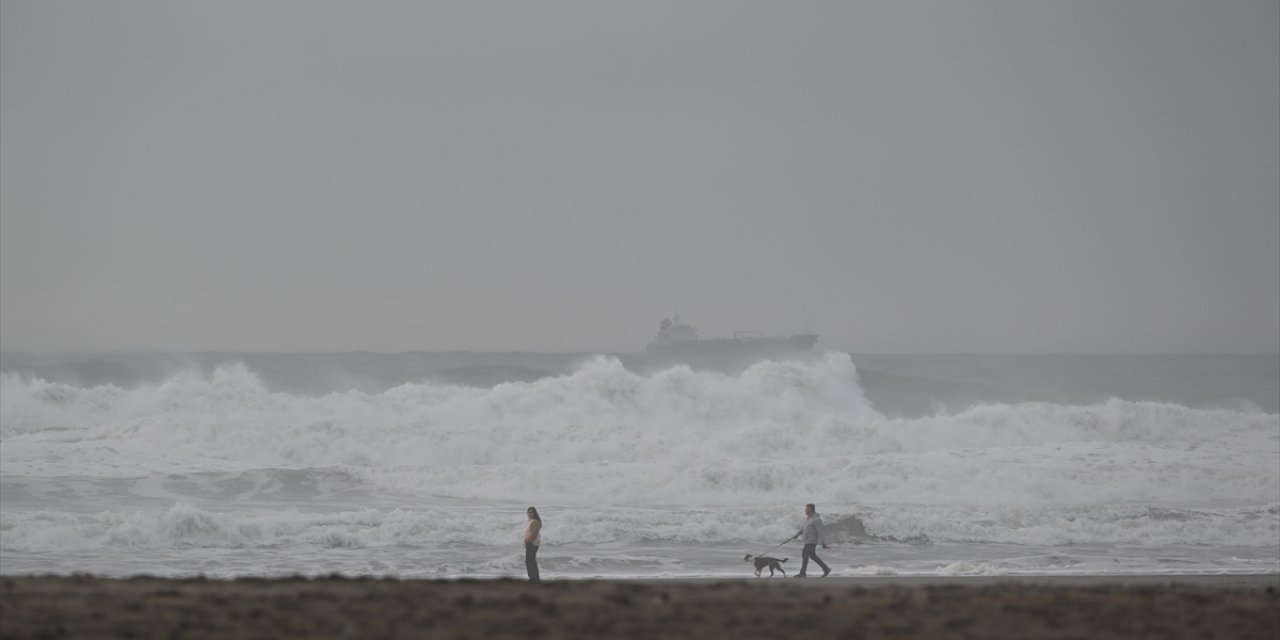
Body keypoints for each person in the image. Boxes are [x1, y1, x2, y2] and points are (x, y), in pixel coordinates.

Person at [790, 503, 830, 577]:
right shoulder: (808, 519)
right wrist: (797, 535)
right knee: (812, 556)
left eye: (806, 509)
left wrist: (823, 543)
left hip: (812, 541)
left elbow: (820, 532)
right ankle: (826, 569)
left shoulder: (817, 520)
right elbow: (803, 529)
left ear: (811, 510)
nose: (805, 511)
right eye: (805, 509)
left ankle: (802, 573)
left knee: (805, 553)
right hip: (807, 540)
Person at [524, 507, 542, 582]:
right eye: (528, 512)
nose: (529, 514)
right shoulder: (531, 521)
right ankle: (534, 578)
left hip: (532, 544)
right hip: (531, 543)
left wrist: (527, 541)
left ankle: (534, 578)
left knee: (530, 561)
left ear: (534, 513)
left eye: (531, 512)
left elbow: (533, 535)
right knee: (530, 561)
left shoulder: (534, 522)